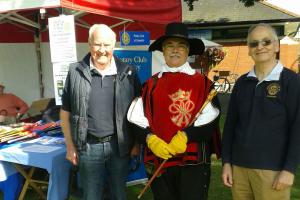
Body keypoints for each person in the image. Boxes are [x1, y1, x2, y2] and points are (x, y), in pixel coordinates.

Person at [127, 22, 221, 200]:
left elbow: (211, 116)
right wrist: (150, 139)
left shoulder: (203, 84)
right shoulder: (150, 85)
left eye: (181, 46)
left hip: (193, 161)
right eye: (170, 45)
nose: (175, 50)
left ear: (188, 51)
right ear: (162, 50)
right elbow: (135, 118)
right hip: (159, 159)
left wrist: (187, 136)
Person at [60, 24, 141, 200]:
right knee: (91, 195)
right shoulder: (75, 71)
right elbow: (65, 112)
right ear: (89, 44)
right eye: (97, 44)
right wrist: (69, 146)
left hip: (119, 147)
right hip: (88, 147)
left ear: (114, 45)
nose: (102, 50)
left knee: (119, 194)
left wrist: (136, 144)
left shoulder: (128, 72)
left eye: (107, 45)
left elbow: (138, 112)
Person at [222, 23, 300, 200]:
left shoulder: (292, 81)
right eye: (254, 43)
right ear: (249, 50)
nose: (260, 47)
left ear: (276, 46)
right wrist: (226, 162)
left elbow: (298, 128)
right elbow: (230, 126)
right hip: (239, 169)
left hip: (273, 169)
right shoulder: (242, 82)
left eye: (266, 42)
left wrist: (289, 169)